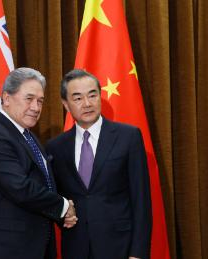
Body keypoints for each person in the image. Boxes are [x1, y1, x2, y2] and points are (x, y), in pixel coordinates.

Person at [0, 67, 77, 259]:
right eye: (29, 99)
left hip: (32, 246)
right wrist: (64, 207)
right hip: (1, 249)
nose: (36, 107)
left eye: (40, 101)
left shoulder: (29, 138)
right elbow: (20, 188)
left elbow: (44, 185)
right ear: (6, 98)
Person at [46, 69, 152, 259]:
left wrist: (138, 253)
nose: (87, 104)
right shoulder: (55, 147)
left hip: (120, 247)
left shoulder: (128, 137)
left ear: (100, 97)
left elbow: (141, 200)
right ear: (66, 105)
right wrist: (63, 217)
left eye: (92, 95)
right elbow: (56, 198)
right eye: (77, 98)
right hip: (75, 248)